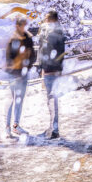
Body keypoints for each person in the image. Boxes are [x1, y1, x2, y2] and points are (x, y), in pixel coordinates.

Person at [5, 15, 36, 138]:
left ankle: (16, 125)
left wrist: (26, 66)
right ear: (17, 26)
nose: (23, 27)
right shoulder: (13, 39)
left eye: (24, 25)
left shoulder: (28, 38)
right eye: (21, 25)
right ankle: (8, 126)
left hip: (23, 73)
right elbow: (9, 59)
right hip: (14, 74)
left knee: (19, 100)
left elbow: (33, 56)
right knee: (13, 100)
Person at [37, 11, 65, 139]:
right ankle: (52, 127)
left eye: (46, 19)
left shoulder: (55, 34)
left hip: (52, 71)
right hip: (48, 70)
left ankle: (55, 129)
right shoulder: (48, 33)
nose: (45, 21)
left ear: (52, 21)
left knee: (52, 101)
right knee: (50, 101)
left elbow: (55, 53)